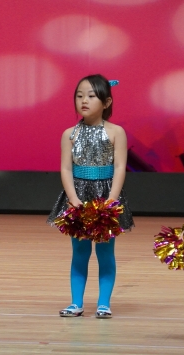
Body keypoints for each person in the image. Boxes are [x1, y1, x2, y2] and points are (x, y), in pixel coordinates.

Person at [48, 74, 134, 319]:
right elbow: (66, 168)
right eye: (79, 96)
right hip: (79, 196)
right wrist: (73, 198)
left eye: (91, 96)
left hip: (106, 197)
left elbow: (120, 167)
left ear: (106, 102)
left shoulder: (116, 132)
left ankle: (103, 303)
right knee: (80, 252)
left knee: (105, 252)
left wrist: (112, 199)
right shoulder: (69, 134)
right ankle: (76, 303)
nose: (84, 100)